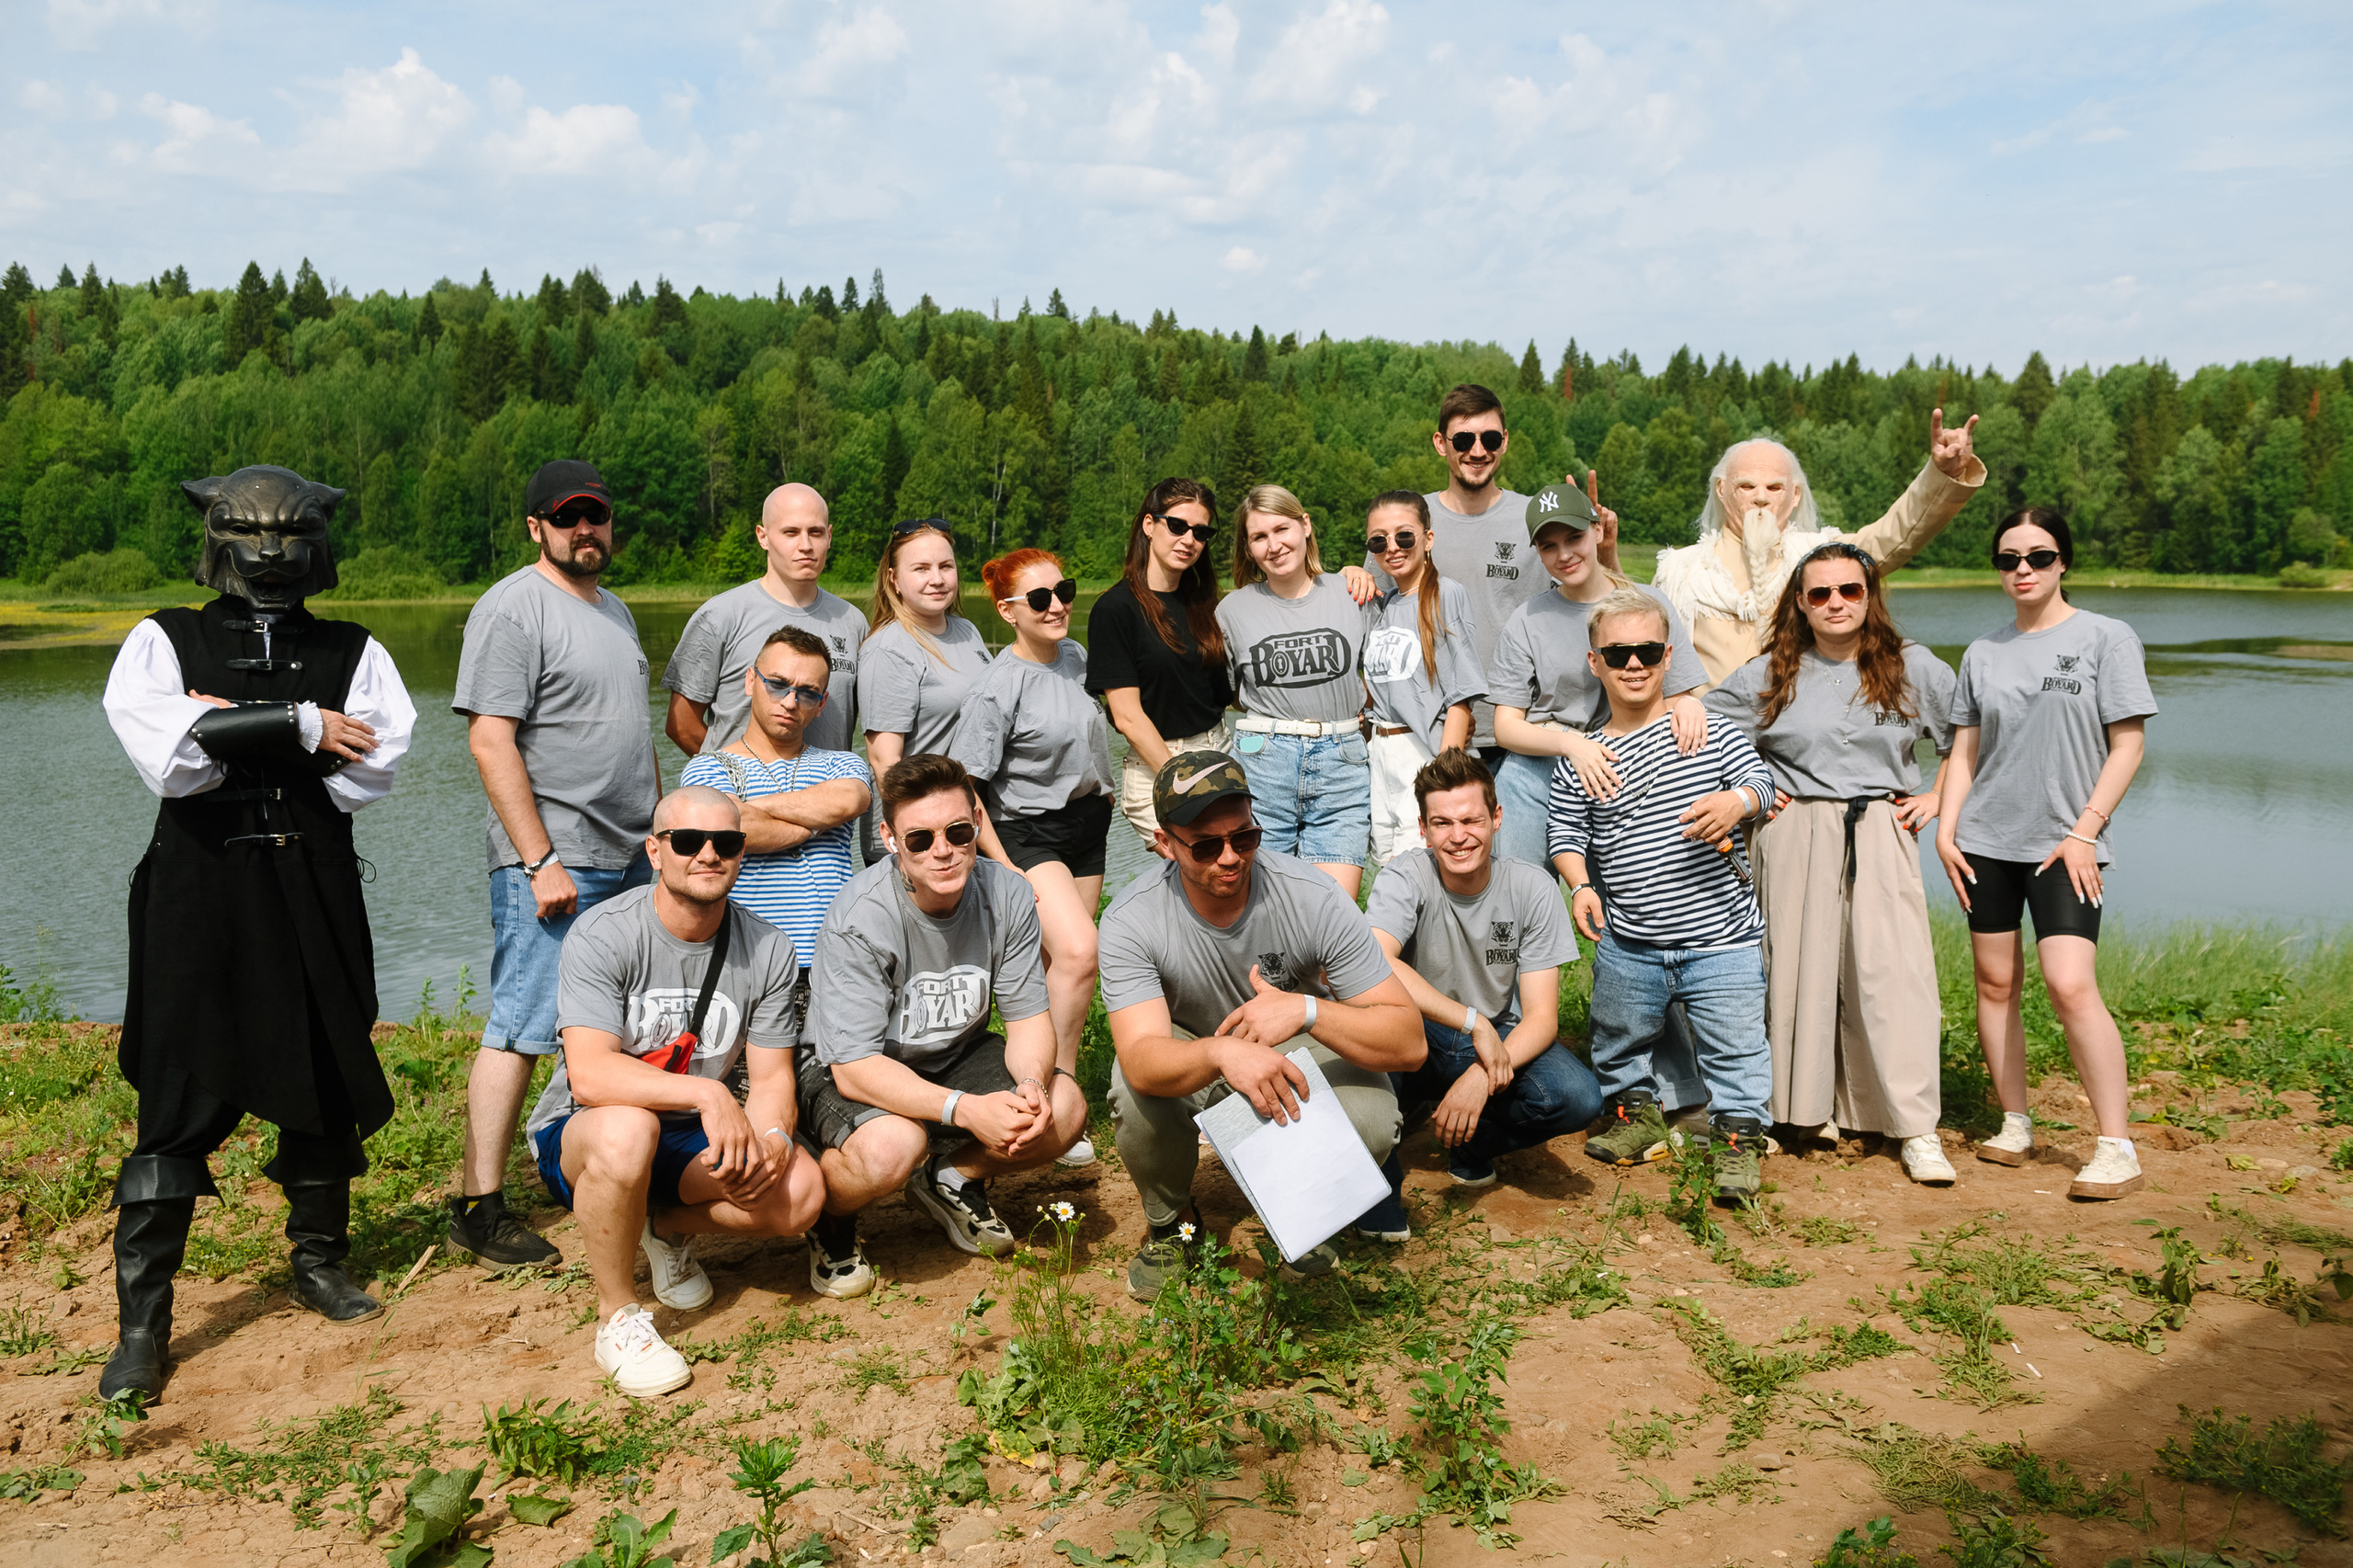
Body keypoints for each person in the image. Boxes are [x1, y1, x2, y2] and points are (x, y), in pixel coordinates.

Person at [97, 464, 418, 1401]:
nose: (271, 555)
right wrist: (304, 723)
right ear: (219, 535)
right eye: (251, 534)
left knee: (321, 1067)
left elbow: (372, 766)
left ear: (317, 542)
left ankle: (317, 1261)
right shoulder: (165, 638)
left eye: (289, 536)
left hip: (311, 886)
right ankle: (143, 1326)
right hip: (198, 893)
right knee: (175, 1092)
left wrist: (227, 722)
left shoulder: (358, 647)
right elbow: (169, 761)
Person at [527, 787, 824, 1397]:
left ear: (742, 853)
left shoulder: (767, 947)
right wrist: (710, 1096)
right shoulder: (604, 933)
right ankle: (618, 1320)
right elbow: (590, 1074)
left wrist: (768, 1139)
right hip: (587, 1128)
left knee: (799, 1193)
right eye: (689, 842)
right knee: (628, 1129)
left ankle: (658, 1223)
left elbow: (769, 1079)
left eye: (727, 842)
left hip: (682, 1133)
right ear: (656, 851)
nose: (709, 855)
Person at [1098, 751, 1423, 1300]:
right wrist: (1219, 1055)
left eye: (1243, 838)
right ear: (1163, 844)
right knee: (1133, 1094)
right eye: (1205, 845)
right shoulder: (1131, 918)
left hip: (1288, 1041)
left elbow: (1409, 1041)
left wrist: (1307, 1010)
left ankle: (1305, 1213)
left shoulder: (1314, 896)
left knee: (1373, 1116)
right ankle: (1173, 1223)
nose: (1230, 857)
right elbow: (1142, 1056)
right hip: (1189, 1045)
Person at [450, 460, 661, 1271]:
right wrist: (538, 860)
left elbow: (629, 733)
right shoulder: (513, 607)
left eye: (597, 516)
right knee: (524, 1026)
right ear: (536, 525)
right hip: (555, 858)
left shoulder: (615, 611)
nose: (587, 531)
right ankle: (477, 1204)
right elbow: (489, 738)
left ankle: (575, 1154)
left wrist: (656, 824)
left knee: (615, 1023)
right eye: (568, 517)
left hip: (628, 849)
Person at [1704, 542, 1959, 1185]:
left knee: (1892, 976)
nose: (1835, 604)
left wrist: (1936, 796)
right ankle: (1801, 1111)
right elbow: (1702, 726)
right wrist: (1754, 784)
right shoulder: (1771, 673)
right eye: (1820, 594)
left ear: (1870, 595)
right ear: (1800, 602)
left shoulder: (1913, 668)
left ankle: (1913, 1125)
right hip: (1793, 829)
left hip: (1880, 825)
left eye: (1849, 590)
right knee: (1797, 971)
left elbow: (1969, 739)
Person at [801, 756, 1087, 1297]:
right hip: (851, 1066)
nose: (943, 850)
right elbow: (856, 1070)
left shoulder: (1007, 893)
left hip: (955, 1052)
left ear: (976, 823)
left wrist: (1029, 1085)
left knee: (1064, 1107)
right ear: (889, 839)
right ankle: (830, 1219)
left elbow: (1028, 1020)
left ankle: (951, 1177)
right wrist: (967, 1109)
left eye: (958, 831)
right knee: (891, 1147)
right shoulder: (860, 917)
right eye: (920, 838)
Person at [1936, 510, 2154, 1200]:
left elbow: (2128, 744)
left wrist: (2087, 829)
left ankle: (2116, 1145)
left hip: (2067, 846)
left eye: (2038, 556)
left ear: (2064, 562)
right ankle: (2014, 1121)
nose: (2022, 569)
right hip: (1985, 842)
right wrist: (1946, 830)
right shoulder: (1982, 652)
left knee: (2069, 984)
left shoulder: (2105, 638)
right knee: (1995, 983)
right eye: (2008, 559)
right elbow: (1965, 754)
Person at [1549, 589, 1779, 1200]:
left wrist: (1737, 801)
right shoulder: (1585, 755)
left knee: (1736, 1048)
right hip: (1631, 939)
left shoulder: (1708, 730)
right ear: (1595, 662)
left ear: (1667, 656)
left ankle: (1737, 1143)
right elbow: (1565, 832)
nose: (1632, 664)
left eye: (1647, 651)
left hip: (1722, 938)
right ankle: (1636, 1117)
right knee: (1617, 1036)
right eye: (1617, 653)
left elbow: (1762, 781)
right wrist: (1579, 884)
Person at [1353, 750, 1598, 1240]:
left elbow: (1543, 1018)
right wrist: (1471, 1021)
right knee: (1362, 1049)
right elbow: (1376, 962)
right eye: (1442, 822)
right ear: (1423, 829)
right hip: (1413, 1031)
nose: (1458, 835)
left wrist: (1481, 1076)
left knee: (1577, 1097)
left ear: (1497, 819)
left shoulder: (1531, 887)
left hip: (1485, 1039)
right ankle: (1377, 1185)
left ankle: (1470, 1140)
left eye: (1471, 820)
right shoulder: (1405, 875)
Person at [951, 549, 1119, 1169]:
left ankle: (1054, 1099)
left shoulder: (1077, 659)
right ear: (1007, 611)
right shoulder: (998, 686)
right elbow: (967, 785)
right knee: (1080, 952)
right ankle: (1051, 1097)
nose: (1059, 606)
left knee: (1064, 970)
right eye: (1041, 599)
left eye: (1065, 590)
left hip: (1088, 825)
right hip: (1025, 831)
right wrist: (1004, 865)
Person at [1652, 413, 1985, 687]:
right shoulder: (1681, 572)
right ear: (1722, 491)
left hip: (1802, 754)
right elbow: (1638, 658)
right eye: (1746, 486)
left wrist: (1941, 474)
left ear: (1794, 496)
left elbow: (1893, 537)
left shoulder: (1820, 559)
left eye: (1775, 487)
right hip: (1706, 753)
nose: (1761, 497)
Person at [1489, 480, 1707, 872]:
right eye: (1549, 546)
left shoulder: (1649, 603)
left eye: (1574, 537)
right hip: (1539, 768)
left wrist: (1689, 703)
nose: (1565, 554)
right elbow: (1506, 726)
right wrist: (1573, 746)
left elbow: (1678, 691)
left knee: (1624, 896)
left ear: (1599, 532)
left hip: (1627, 761)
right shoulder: (1528, 619)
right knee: (1522, 895)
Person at [1370, 383, 1553, 755]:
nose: (1477, 450)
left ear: (1504, 441)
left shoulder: (1534, 518)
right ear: (1441, 443)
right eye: (1463, 440)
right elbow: (1371, 618)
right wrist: (1349, 575)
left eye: (1489, 438)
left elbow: (1589, 604)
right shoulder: (1405, 524)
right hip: (1427, 736)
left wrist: (1606, 554)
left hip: (1523, 730)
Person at [679, 627, 873, 972]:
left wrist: (747, 810)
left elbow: (850, 801)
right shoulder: (708, 767)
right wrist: (815, 824)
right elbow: (734, 832)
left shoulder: (841, 764)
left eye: (807, 693)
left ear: (822, 703)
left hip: (837, 960)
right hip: (748, 961)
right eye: (778, 684)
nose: (790, 702)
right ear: (751, 680)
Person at [1217, 483, 1373, 896]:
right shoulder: (1232, 610)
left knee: (1332, 911)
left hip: (1342, 763)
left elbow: (1380, 676)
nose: (1274, 545)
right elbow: (1227, 692)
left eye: (1282, 529)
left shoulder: (1352, 592)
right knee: (1265, 907)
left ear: (1305, 526)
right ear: (1248, 548)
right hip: (1264, 763)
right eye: (1259, 537)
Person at [1087, 479, 1235, 851]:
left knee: (1234, 885)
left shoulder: (1204, 605)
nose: (1189, 539)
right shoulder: (1115, 609)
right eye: (1178, 525)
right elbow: (1127, 718)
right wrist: (1185, 781)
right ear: (1149, 526)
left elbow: (1225, 696)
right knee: (1204, 874)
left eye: (1201, 532)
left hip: (1220, 750)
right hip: (1161, 766)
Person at [665, 483, 865, 756]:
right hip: (739, 798)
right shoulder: (720, 616)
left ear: (829, 536)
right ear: (763, 537)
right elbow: (681, 725)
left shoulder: (853, 622)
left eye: (815, 532)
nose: (805, 545)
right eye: (791, 532)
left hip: (827, 796)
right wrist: (735, 777)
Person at [858, 518, 995, 860]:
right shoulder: (890, 649)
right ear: (894, 579)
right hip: (920, 838)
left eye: (945, 566)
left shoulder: (966, 631)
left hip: (965, 822)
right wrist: (922, 836)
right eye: (921, 569)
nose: (937, 579)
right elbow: (884, 761)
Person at [1358, 492, 1482, 868]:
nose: (1392, 547)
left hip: (1422, 755)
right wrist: (1351, 572)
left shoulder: (1445, 595)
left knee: (1423, 871)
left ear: (1428, 539)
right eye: (1379, 540)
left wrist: (1446, 774)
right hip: (1378, 756)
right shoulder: (1382, 605)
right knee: (1389, 871)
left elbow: (1461, 696)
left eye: (1404, 536)